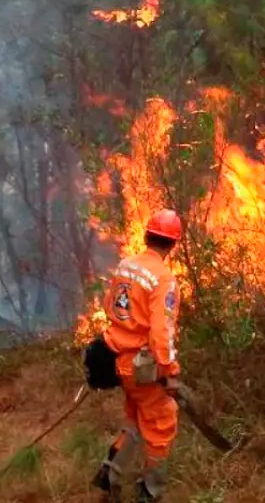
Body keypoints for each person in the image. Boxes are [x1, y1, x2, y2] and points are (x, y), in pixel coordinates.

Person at [91, 209, 183, 503]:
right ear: (173, 244)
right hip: (140, 366)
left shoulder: (126, 265)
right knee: (161, 424)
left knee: (134, 418)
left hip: (114, 356)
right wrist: (168, 371)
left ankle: (110, 473)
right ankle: (150, 492)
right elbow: (161, 331)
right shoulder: (164, 279)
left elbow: (109, 306)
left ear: (146, 236)